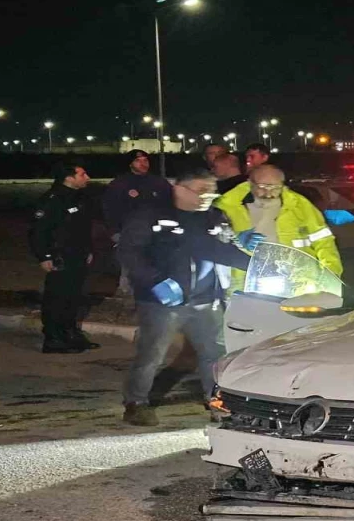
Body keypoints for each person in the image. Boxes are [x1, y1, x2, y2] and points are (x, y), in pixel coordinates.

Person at [118, 168, 253, 426]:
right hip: (162, 302)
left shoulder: (214, 218)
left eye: (212, 191)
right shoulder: (151, 215)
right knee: (152, 354)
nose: (208, 196)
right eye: (202, 190)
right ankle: (136, 402)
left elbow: (224, 250)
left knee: (214, 355)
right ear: (179, 188)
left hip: (207, 301)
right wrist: (155, 281)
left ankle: (217, 402)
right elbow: (129, 252)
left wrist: (255, 262)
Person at [215, 164, 342, 292]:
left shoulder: (299, 205)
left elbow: (324, 240)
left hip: (298, 281)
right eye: (262, 187)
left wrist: (331, 273)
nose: (268, 193)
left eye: (275, 188)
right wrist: (237, 239)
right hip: (246, 281)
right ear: (250, 183)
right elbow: (213, 243)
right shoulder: (227, 207)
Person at [30, 161, 96, 353]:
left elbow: (81, 229)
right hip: (60, 256)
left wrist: (88, 250)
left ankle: (70, 334)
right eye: (82, 174)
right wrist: (44, 256)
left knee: (73, 297)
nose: (87, 178)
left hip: (77, 255)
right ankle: (53, 338)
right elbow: (39, 231)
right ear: (69, 178)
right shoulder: (52, 199)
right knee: (57, 298)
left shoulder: (78, 197)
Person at [102, 149, 172, 297]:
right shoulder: (120, 184)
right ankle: (128, 298)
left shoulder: (159, 182)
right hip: (128, 235)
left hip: (156, 235)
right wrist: (114, 231)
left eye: (145, 160)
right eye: (138, 161)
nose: (143, 163)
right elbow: (109, 209)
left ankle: (154, 295)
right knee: (130, 268)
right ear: (130, 164)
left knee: (155, 265)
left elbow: (170, 206)